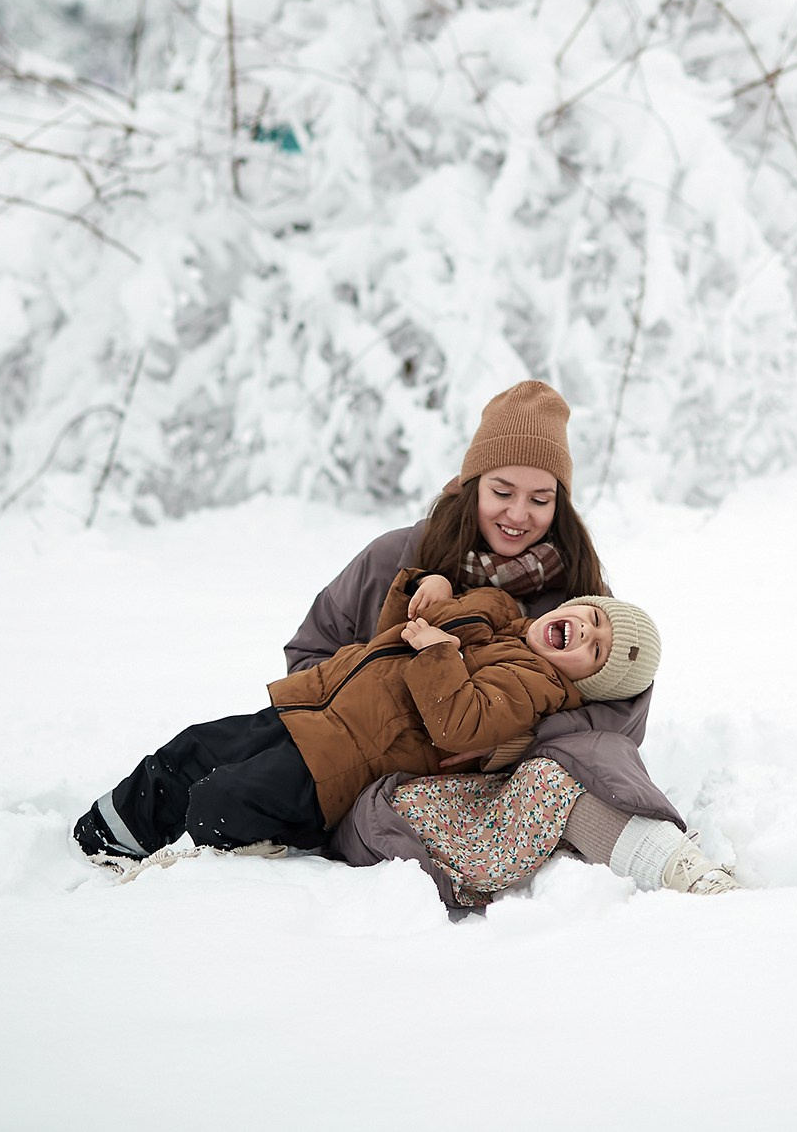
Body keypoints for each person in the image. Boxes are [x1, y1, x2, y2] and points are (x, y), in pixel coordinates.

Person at [286, 379, 740, 901]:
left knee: (567, 776)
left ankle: (680, 870)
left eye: (540, 499)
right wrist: (383, 720)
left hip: (509, 780)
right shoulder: (396, 556)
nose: (518, 515)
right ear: (471, 484)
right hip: (380, 772)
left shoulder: (578, 594)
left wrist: (515, 741)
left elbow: (619, 715)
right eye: (502, 492)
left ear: (560, 504)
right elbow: (310, 656)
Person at [72, 564, 661, 865]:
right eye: (594, 618)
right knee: (191, 748)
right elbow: (392, 639)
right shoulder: (495, 608)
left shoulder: (533, 688)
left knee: (224, 797)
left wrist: (440, 652)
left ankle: (228, 861)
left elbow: (458, 724)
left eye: (598, 650)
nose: (586, 632)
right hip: (308, 707)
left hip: (336, 763)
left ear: (589, 679)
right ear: (574, 605)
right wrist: (421, 592)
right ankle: (104, 838)